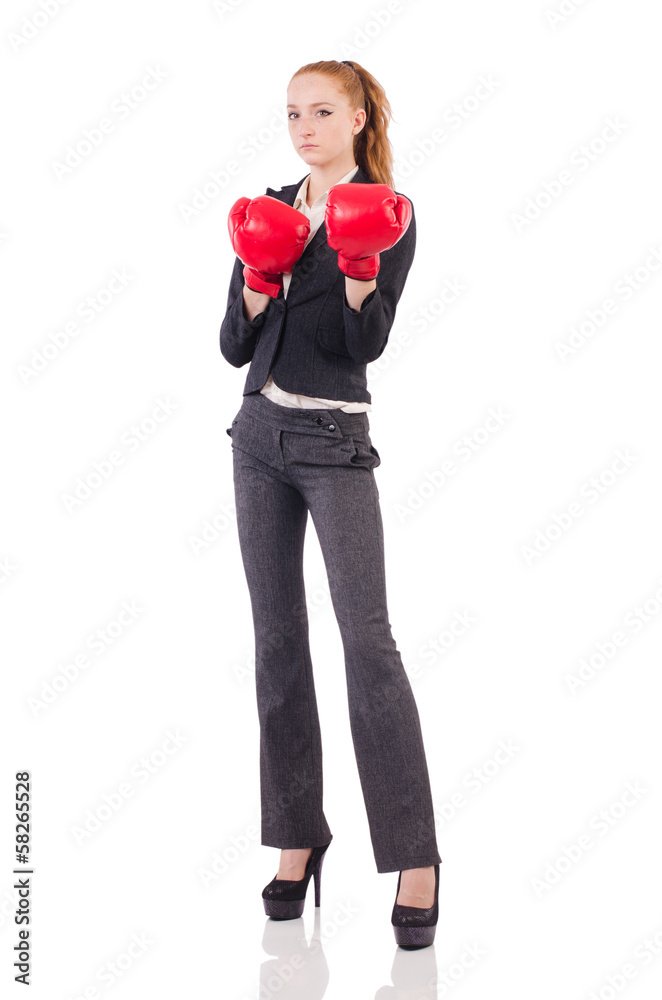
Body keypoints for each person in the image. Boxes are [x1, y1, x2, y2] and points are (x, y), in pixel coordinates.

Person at [219, 59, 441, 947]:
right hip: (257, 441)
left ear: (356, 120)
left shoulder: (389, 213)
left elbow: (363, 344)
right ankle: (297, 837)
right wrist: (256, 279)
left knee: (368, 642)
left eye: (320, 112)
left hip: (335, 444)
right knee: (275, 642)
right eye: (291, 113)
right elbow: (233, 346)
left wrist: (354, 266)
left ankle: (416, 857)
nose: (302, 128)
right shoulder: (267, 209)